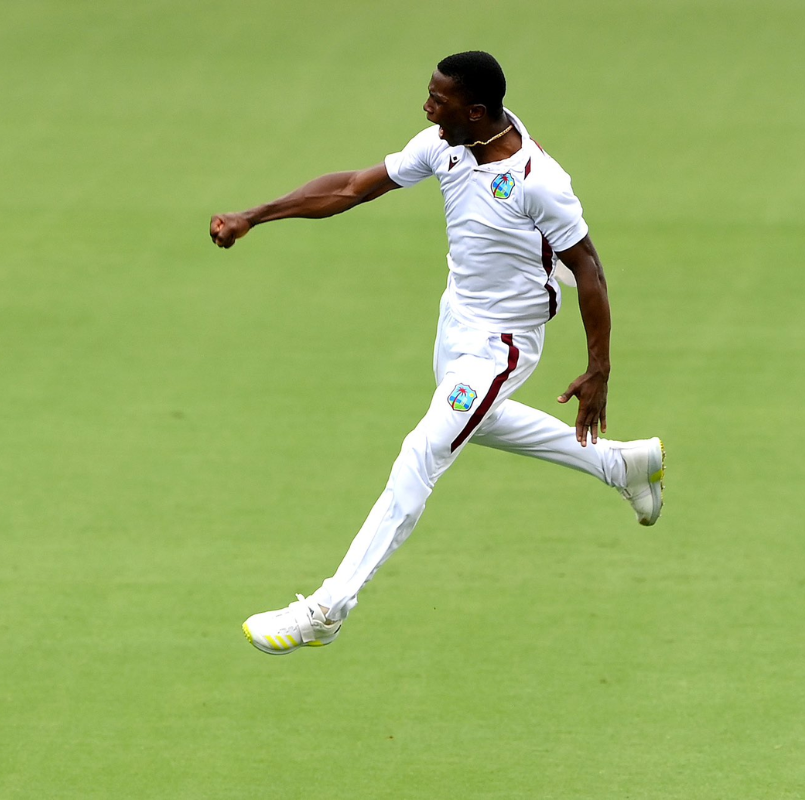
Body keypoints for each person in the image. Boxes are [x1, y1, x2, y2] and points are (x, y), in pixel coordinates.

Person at [210, 51, 664, 657]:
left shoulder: (537, 182)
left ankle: (327, 608)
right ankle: (622, 465)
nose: (426, 107)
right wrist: (254, 216)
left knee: (425, 448)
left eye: (438, 100)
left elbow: (590, 270)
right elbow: (350, 188)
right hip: (455, 322)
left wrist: (599, 369)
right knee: (477, 423)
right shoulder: (445, 145)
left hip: (502, 345)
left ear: (476, 111)